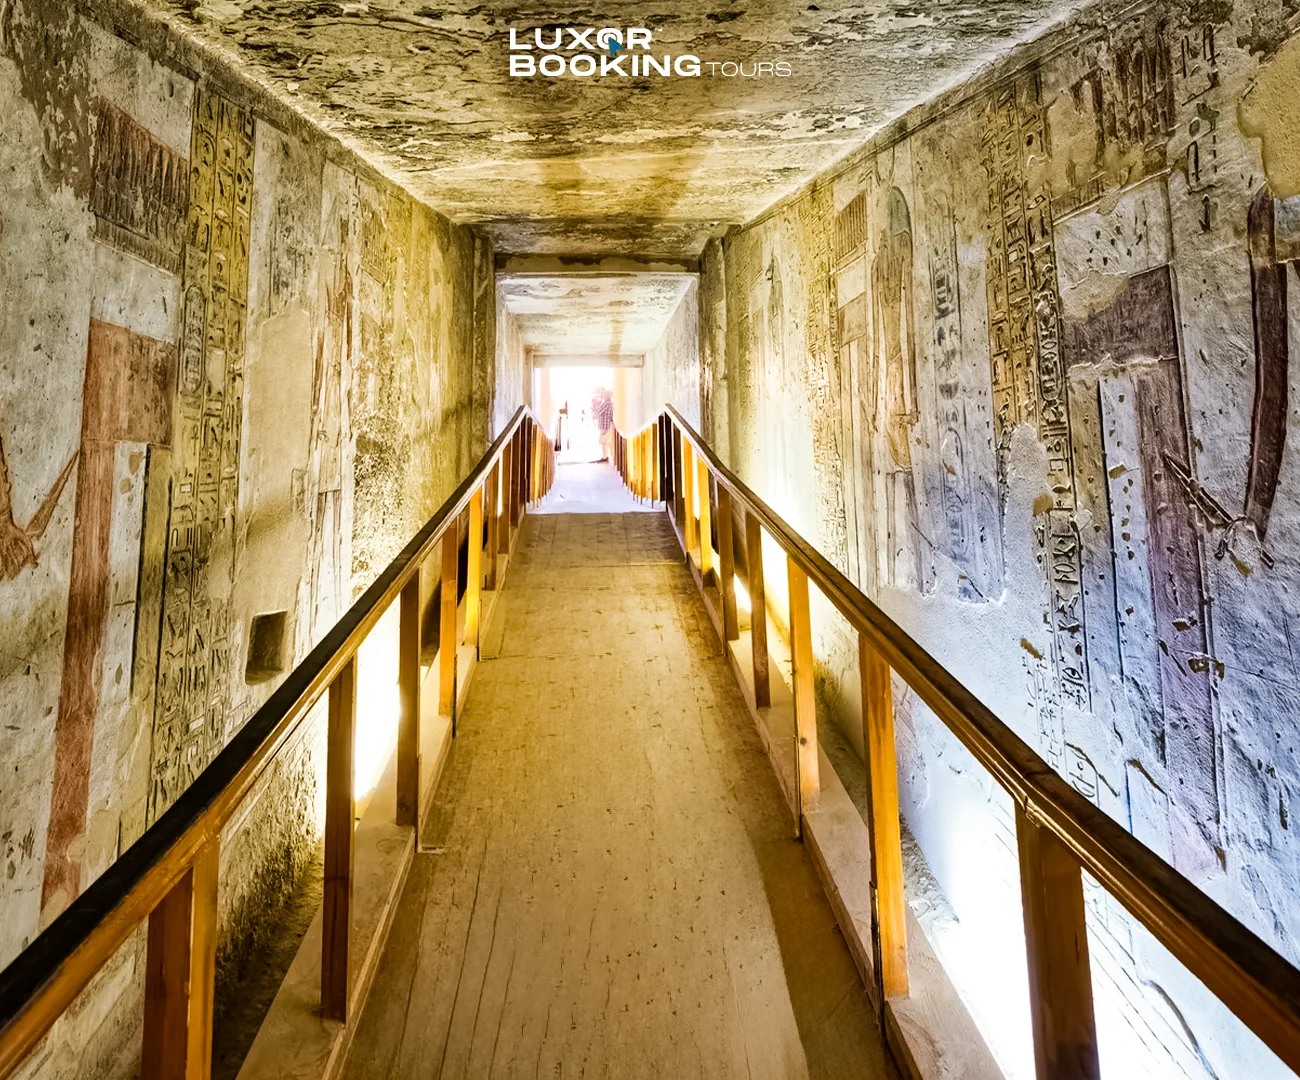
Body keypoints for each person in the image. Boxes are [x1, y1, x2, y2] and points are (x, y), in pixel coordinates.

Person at [592, 388, 614, 462]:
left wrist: (594, 407)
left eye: (604, 394)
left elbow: (599, 411)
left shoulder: (606, 403)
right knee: (606, 441)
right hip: (607, 425)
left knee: (604, 441)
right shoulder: (610, 403)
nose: (603, 396)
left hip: (605, 425)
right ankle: (606, 456)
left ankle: (605, 457)